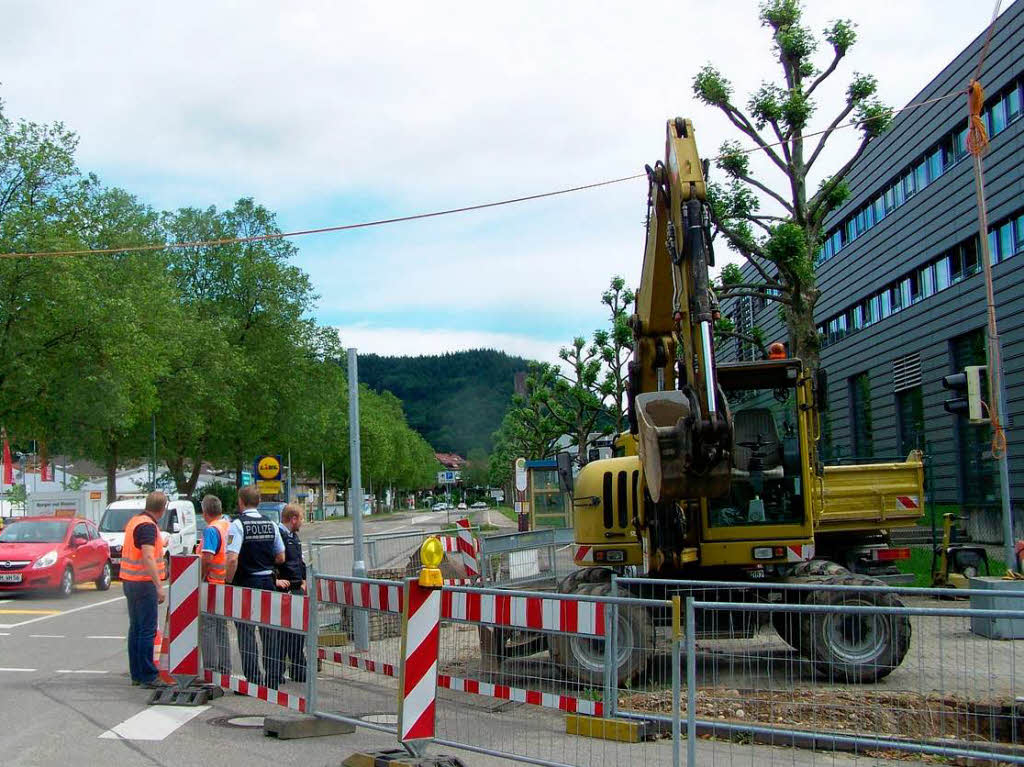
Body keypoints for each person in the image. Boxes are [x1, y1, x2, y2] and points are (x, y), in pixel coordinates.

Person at [225, 485, 285, 688]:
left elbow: (232, 559)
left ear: (241, 502)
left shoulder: (237, 525)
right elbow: (281, 556)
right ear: (258, 502)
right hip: (268, 581)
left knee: (246, 631)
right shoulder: (271, 524)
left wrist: (228, 582)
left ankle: (254, 679)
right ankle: (273, 678)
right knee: (269, 631)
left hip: (246, 583)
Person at [120, 491, 171, 689]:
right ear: (163, 508)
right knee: (147, 630)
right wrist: (159, 586)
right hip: (143, 582)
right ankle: (148, 675)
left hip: (130, 581)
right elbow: (148, 556)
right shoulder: (148, 526)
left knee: (137, 628)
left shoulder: (135, 521)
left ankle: (137, 674)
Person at [199, 494, 232, 675]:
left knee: (208, 627)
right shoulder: (227, 525)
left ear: (205, 512)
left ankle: (210, 669)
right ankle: (225, 669)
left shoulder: (212, 530)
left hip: (212, 582)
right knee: (221, 627)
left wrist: (201, 575)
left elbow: (208, 558)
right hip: (225, 582)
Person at [275, 504, 307, 683]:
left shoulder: (294, 537)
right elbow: (272, 561)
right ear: (293, 519)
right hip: (284, 590)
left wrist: (303, 581)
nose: (302, 522)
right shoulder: (278, 536)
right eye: (301, 518)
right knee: (282, 634)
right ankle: (278, 671)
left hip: (296, 588)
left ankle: (298, 670)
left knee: (297, 632)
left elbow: (299, 563)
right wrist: (276, 581)